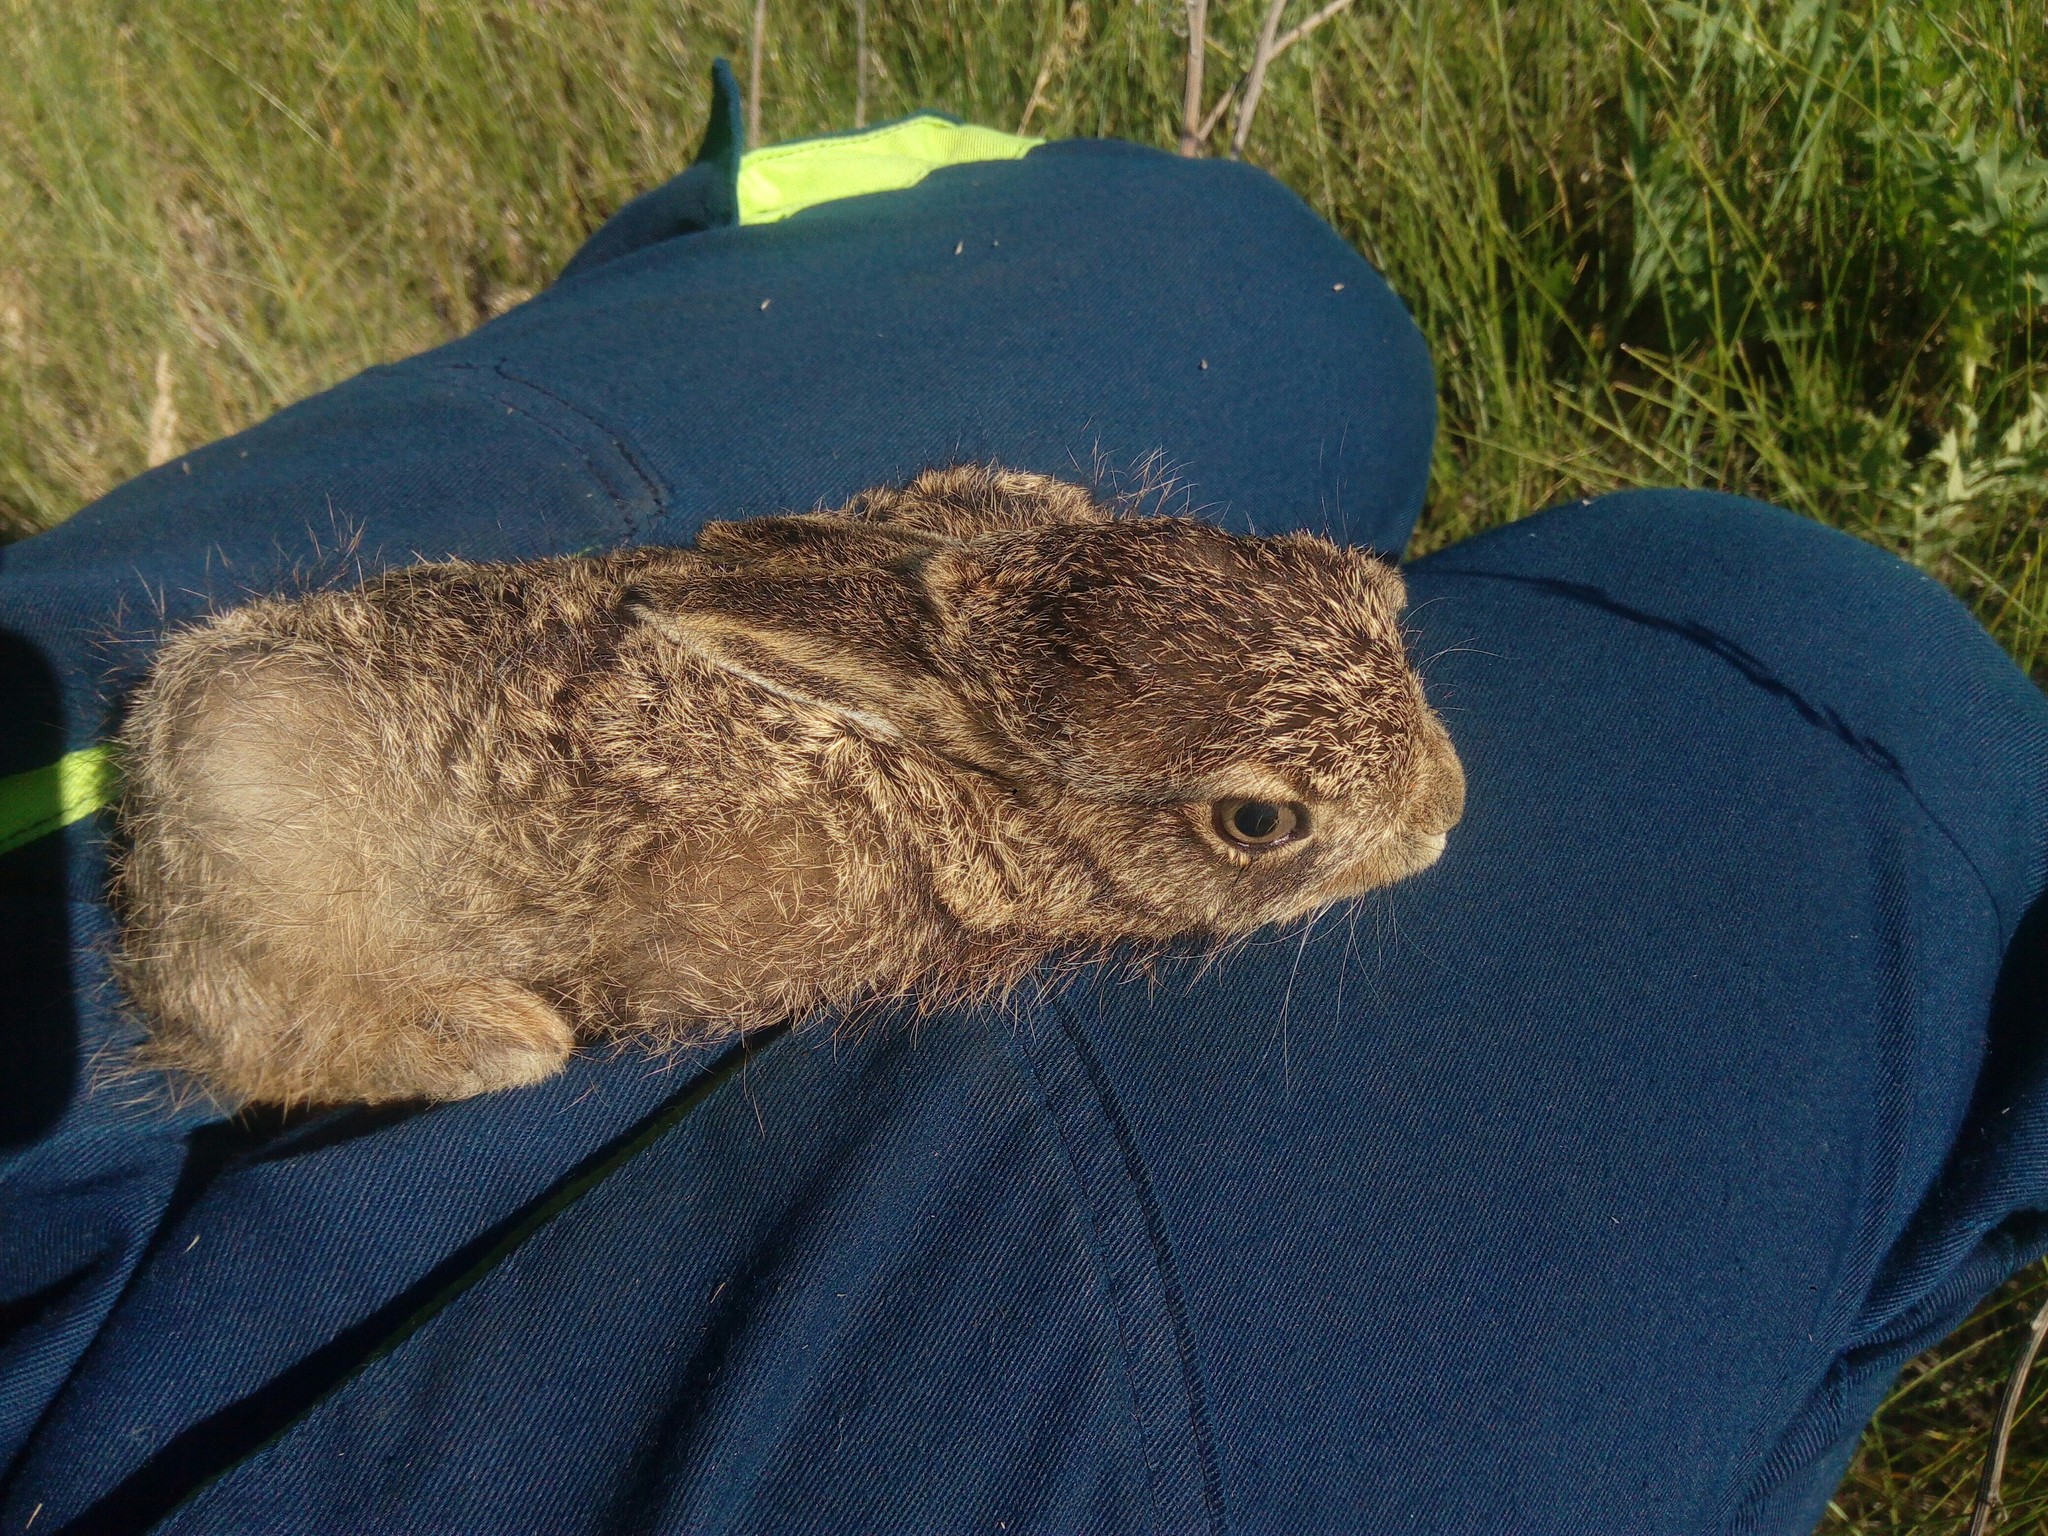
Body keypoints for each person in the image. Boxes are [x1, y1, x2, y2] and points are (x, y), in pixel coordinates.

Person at [3, 63, 2043, 1535]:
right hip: (186, 1003)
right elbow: (630, 930)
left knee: (1245, 276)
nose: (1430, 818)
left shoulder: (1000, 546)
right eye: (1261, 820)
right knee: (1887, 714)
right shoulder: (805, 860)